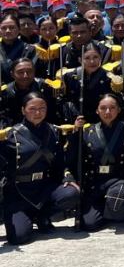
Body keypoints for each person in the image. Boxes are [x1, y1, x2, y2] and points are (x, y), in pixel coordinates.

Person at [0, 92, 79, 245]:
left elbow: (60, 162)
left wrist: (68, 177)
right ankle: (28, 216)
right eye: (32, 109)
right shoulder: (10, 136)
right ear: (23, 110)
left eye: (42, 108)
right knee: (19, 238)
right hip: (19, 193)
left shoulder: (54, 132)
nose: (38, 113)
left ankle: (43, 215)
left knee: (71, 193)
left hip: (44, 188)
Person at [70, 93, 124, 231]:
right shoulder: (87, 131)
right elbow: (73, 156)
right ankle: (108, 210)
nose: (108, 112)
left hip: (117, 179)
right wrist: (76, 133)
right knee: (89, 224)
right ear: (97, 110)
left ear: (118, 110)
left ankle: (115, 208)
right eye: (103, 108)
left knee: (117, 196)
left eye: (112, 108)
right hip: (95, 182)